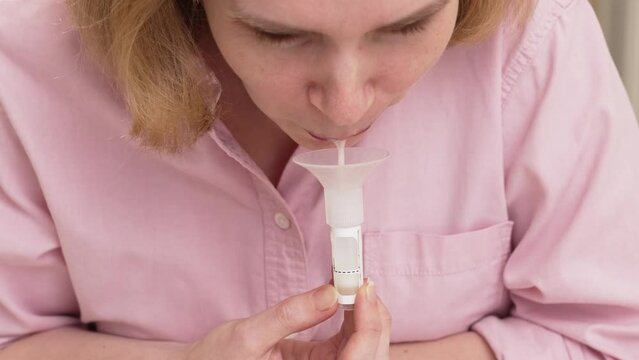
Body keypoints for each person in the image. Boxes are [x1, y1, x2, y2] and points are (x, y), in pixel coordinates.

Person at [0, 0, 637, 358]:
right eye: (276, 35)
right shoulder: (31, 52)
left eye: (408, 26)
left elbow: (612, 336)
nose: (347, 105)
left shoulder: (532, 34)